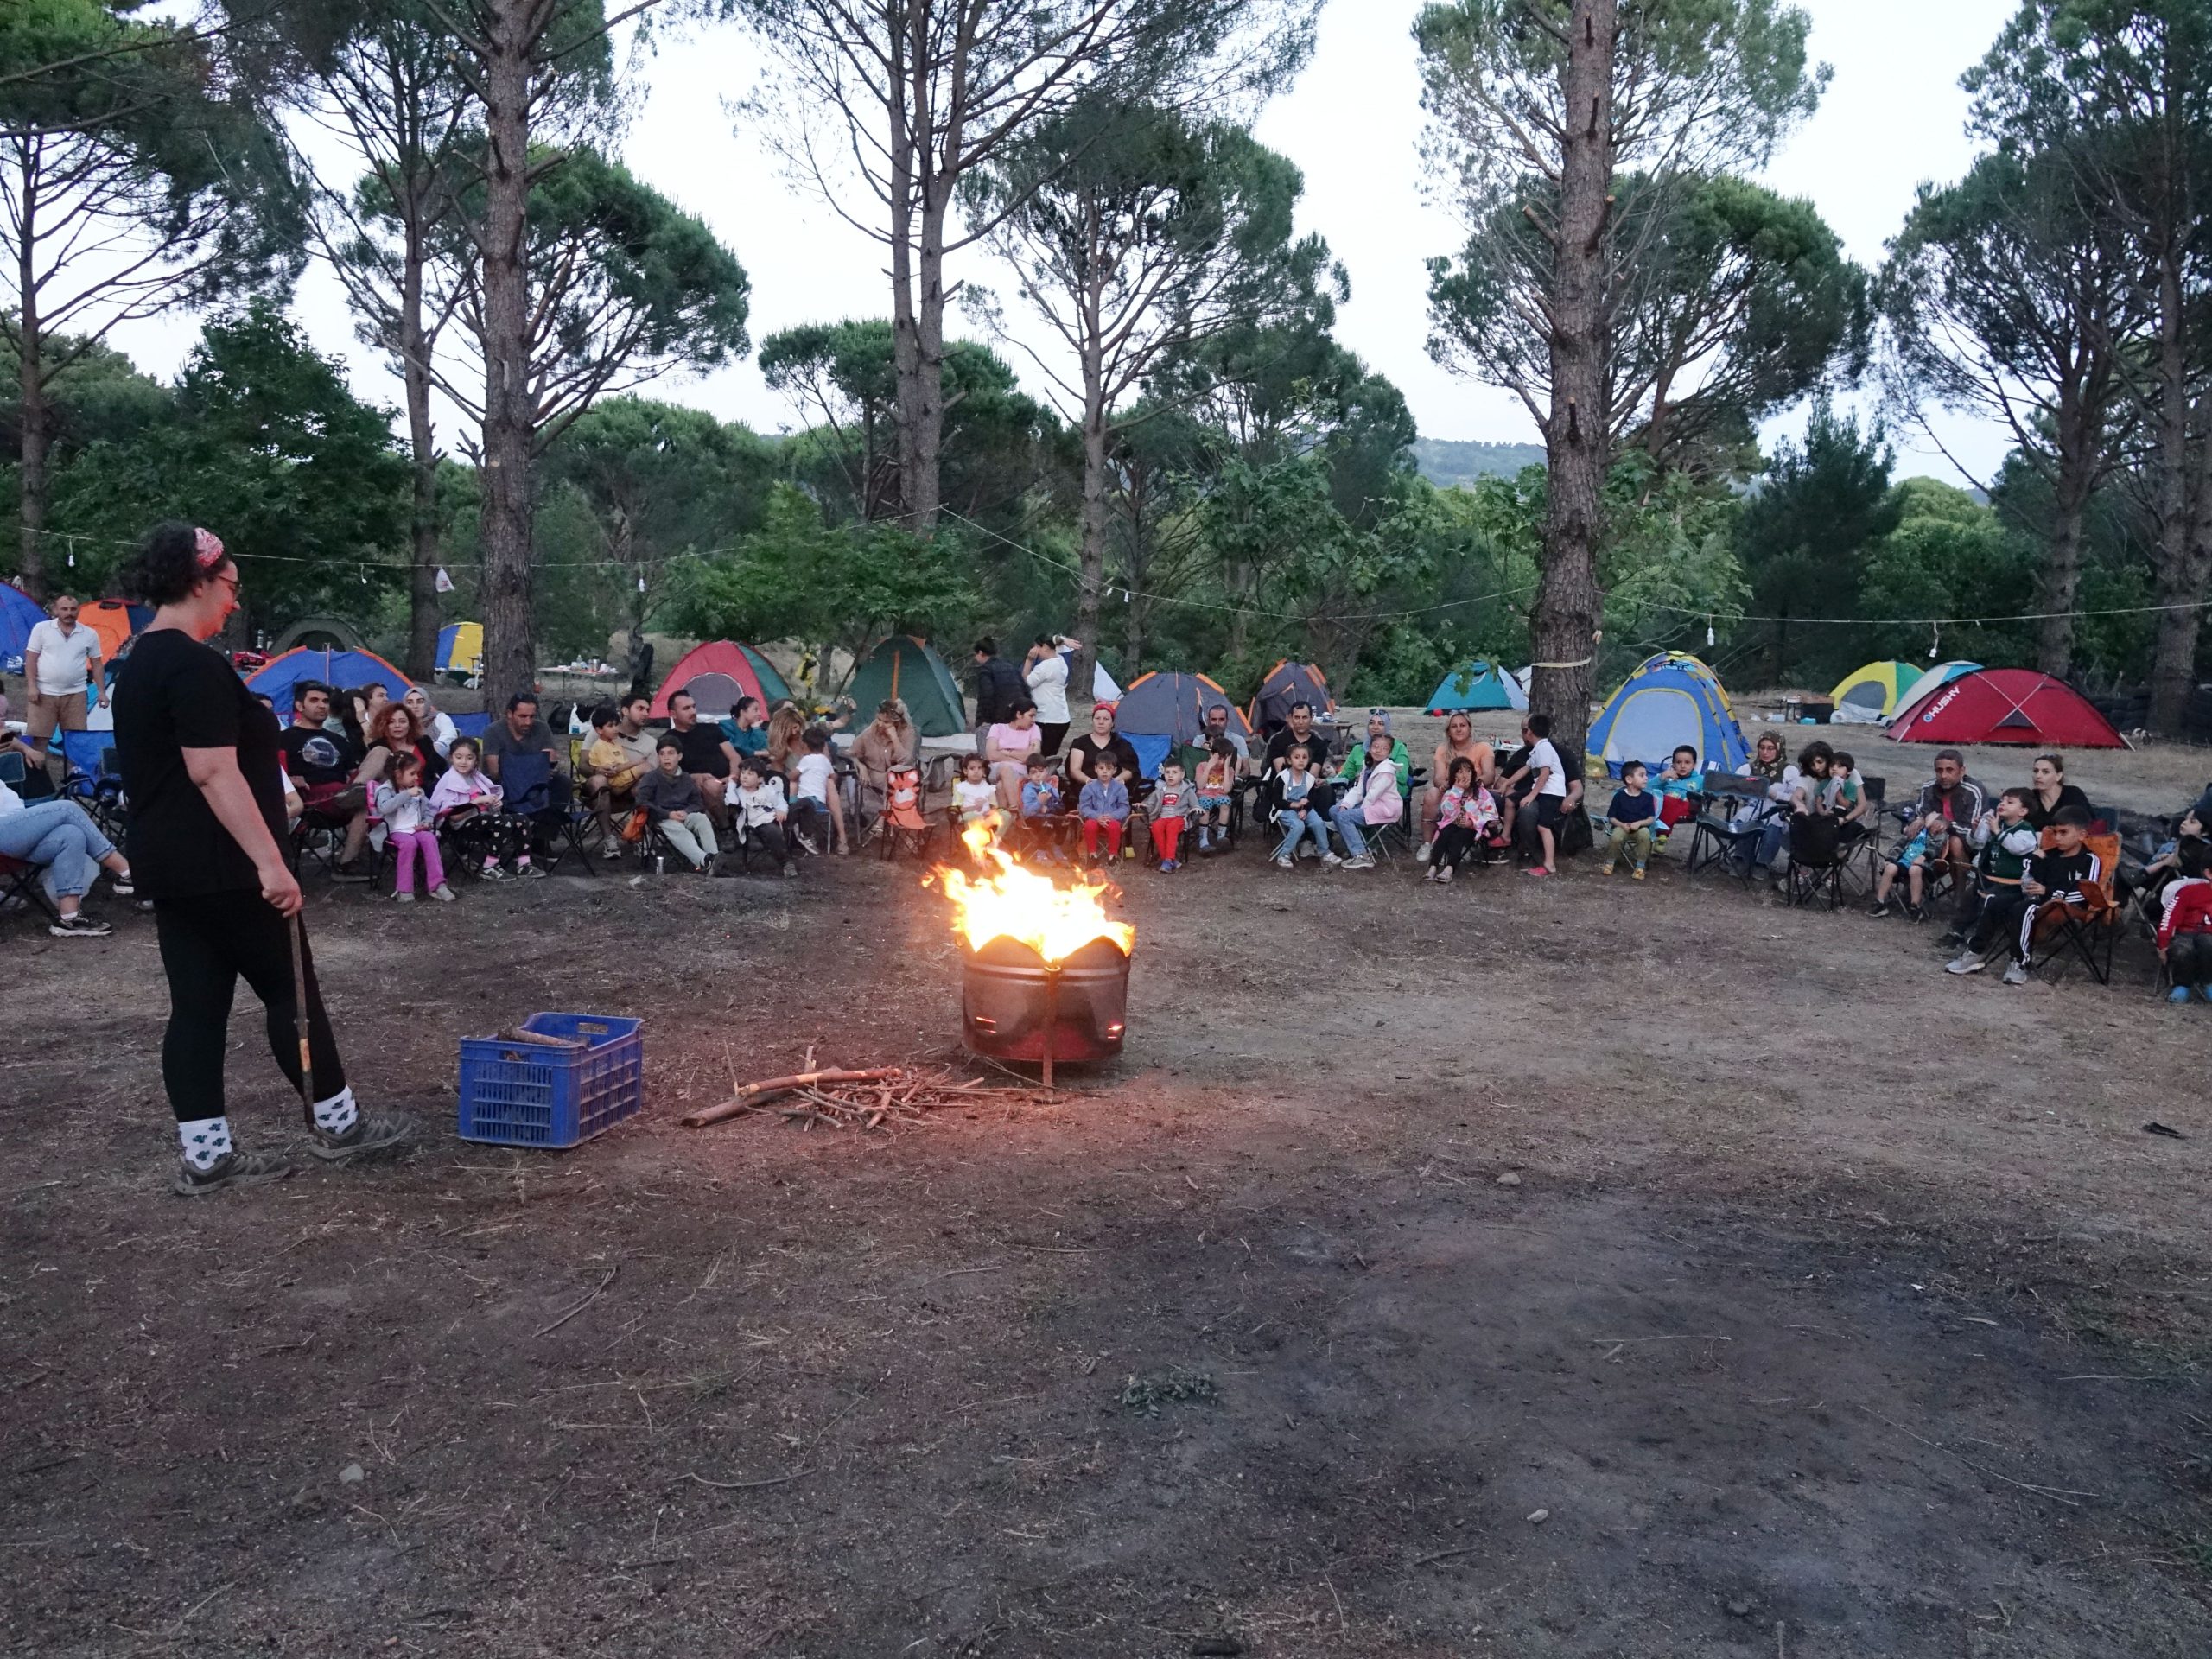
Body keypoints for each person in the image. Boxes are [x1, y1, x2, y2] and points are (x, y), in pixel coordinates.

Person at [112, 523, 413, 1193]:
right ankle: (340, 1126)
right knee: (289, 989)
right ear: (197, 582)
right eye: (229, 588)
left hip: (173, 865)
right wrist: (271, 865)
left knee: (197, 1007)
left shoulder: (139, 664)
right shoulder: (191, 665)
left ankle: (206, 1154)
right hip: (225, 865)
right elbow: (213, 773)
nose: (232, 602)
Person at [0, 775, 133, 935]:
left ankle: (69, 917)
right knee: (66, 808)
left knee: (71, 834)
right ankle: (127, 872)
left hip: (15, 833)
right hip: (6, 833)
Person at [1995, 805, 2103, 987]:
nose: (2057, 838)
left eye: (2063, 833)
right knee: (1995, 901)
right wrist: (2036, 858)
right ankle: (1976, 950)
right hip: (2041, 902)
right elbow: (2028, 875)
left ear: (2082, 835)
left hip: (2069, 908)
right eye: (2054, 833)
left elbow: (2088, 892)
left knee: (2024, 908)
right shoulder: (2050, 855)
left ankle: (2019, 962)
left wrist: (2049, 892)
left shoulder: (2090, 860)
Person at [279, 681, 372, 880]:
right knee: (364, 803)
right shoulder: (284, 739)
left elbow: (354, 770)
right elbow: (271, 772)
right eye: (314, 700)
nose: (322, 705)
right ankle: (345, 866)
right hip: (310, 800)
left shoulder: (338, 741)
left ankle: (358, 792)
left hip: (342, 793)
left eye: (325, 701)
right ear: (299, 706)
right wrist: (287, 779)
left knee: (380, 753)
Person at [1942, 788, 2041, 965]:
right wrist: (1975, 831)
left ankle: (1978, 946)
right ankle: (1957, 931)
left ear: (2023, 811)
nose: (2002, 804)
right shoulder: (1998, 824)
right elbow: (1977, 844)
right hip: (1990, 877)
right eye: (2002, 800)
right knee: (1970, 897)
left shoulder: (2025, 830)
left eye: (2010, 802)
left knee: (1990, 900)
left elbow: (2016, 847)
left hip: (2014, 884)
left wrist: (1997, 831)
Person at [430, 736, 534, 880]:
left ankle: (524, 864)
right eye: (458, 757)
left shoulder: (475, 777)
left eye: (469, 758)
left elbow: (488, 798)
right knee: (503, 822)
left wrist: (495, 802)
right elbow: (453, 816)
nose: (463, 762)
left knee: (521, 818)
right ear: (451, 758)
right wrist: (476, 802)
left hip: (482, 819)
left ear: (476, 760)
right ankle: (489, 866)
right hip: (461, 825)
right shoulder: (449, 780)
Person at [22, 593, 105, 772]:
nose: (69, 613)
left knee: (77, 740)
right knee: (39, 739)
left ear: (78, 611)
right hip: (43, 693)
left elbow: (97, 664)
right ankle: (38, 782)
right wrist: (31, 686)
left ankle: (75, 780)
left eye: (73, 609)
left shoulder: (89, 634)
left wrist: (101, 692)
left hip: (76, 694)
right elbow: (30, 658)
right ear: (55, 610)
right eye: (64, 609)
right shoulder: (42, 629)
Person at [375, 753, 453, 904]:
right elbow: (384, 808)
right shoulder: (385, 790)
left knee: (430, 839)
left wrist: (427, 821)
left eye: (417, 773)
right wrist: (406, 795)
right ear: (397, 774)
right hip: (394, 831)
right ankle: (404, 889)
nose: (416, 777)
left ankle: (438, 884)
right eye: (412, 774)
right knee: (409, 844)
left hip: (415, 829)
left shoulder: (417, 790)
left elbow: (430, 809)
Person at [1499, 713, 1568, 878]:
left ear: (1530, 732)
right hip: (1542, 790)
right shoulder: (1537, 749)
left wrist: (1532, 795)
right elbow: (1524, 769)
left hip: (1551, 793)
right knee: (1510, 801)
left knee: (1543, 827)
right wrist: (1507, 783)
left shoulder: (1544, 748)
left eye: (1526, 730)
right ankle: (1505, 836)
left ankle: (1549, 864)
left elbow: (1545, 773)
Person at [637, 736, 718, 874]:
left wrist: (686, 812)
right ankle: (704, 861)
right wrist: (668, 814)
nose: (666, 758)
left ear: (679, 756)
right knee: (677, 829)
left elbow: (697, 802)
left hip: (683, 814)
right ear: (658, 758)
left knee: (701, 819)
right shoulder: (651, 778)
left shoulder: (686, 778)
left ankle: (715, 860)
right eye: (662, 754)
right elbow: (641, 802)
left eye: (671, 753)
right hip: (661, 818)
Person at [1418, 713, 1493, 861]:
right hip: (1451, 791)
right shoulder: (1443, 749)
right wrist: (1448, 785)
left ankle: (1464, 843)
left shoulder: (1483, 747)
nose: (1459, 729)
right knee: (1432, 794)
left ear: (1470, 728)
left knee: (1469, 800)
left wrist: (1470, 784)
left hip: (1474, 791)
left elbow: (1490, 776)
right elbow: (1438, 778)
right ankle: (1427, 844)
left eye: (1463, 725)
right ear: (1448, 731)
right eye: (1454, 726)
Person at [1909, 749, 1987, 888]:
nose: (1943, 775)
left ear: (1962, 771)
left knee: (1955, 842)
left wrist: (1945, 822)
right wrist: (1920, 820)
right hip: (1933, 839)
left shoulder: (1974, 791)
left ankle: (1960, 892)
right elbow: (1921, 814)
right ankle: (1912, 885)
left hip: (1968, 845)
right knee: (1914, 831)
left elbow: (1971, 830)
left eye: (1949, 770)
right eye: (1939, 770)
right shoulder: (1929, 787)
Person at [580, 701, 651, 855]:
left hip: (622, 785)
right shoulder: (600, 746)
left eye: (616, 725)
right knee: (645, 769)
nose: (616, 729)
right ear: (599, 730)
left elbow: (622, 766)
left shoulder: (615, 745)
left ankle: (639, 835)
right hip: (608, 787)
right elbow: (613, 770)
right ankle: (610, 840)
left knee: (646, 782)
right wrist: (637, 764)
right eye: (611, 726)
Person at [1327, 732, 1402, 872]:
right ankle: (1354, 846)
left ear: (1389, 752)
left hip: (1385, 809)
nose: (1379, 751)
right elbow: (1359, 790)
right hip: (1371, 804)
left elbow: (1372, 796)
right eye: (1376, 747)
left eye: (1384, 748)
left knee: (1344, 816)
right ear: (1369, 747)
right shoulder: (1368, 765)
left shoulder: (1386, 771)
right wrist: (1345, 805)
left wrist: (1352, 811)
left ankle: (1361, 855)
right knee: (1335, 810)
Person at [666, 690, 741, 829]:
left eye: (694, 706)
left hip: (729, 780)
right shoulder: (669, 740)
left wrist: (732, 777)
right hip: (700, 785)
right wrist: (695, 777)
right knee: (712, 786)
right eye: (686, 708)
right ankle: (725, 828)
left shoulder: (711, 729)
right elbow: (669, 773)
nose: (693, 711)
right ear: (673, 714)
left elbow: (734, 756)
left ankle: (753, 827)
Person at [1426, 755, 1498, 884]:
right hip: (1453, 822)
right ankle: (1433, 867)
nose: (1465, 775)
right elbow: (1446, 811)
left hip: (1472, 827)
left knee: (1458, 837)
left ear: (1473, 773)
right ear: (1454, 775)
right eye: (1460, 772)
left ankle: (1449, 869)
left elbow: (1492, 815)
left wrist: (1473, 822)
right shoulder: (1451, 792)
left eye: (1468, 771)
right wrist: (1457, 791)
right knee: (1444, 833)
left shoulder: (1481, 793)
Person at [2155, 842, 2212, 1003]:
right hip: (2185, 935)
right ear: (2209, 873)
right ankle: (2182, 985)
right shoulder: (2190, 892)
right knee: (2182, 950)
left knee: (2209, 943)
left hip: (2209, 938)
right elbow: (2170, 917)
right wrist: (2163, 943)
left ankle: (2208, 981)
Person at [850, 699, 919, 824]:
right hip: (876, 773)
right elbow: (851, 753)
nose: (880, 724)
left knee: (896, 777)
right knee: (895, 781)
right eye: (879, 719)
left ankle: (884, 819)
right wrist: (862, 767)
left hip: (901, 776)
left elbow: (905, 760)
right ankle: (892, 822)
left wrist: (894, 738)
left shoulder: (907, 733)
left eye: (886, 722)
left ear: (897, 722)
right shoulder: (871, 731)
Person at [728, 756, 798, 877]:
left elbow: (780, 801)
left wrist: (782, 810)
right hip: (752, 823)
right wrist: (731, 785)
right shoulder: (739, 792)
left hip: (772, 818)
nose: (744, 776)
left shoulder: (768, 790)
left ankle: (791, 853)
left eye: (750, 774)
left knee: (794, 812)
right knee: (771, 831)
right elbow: (731, 801)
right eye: (743, 773)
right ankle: (787, 863)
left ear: (760, 779)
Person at [480, 692, 563, 788]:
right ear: (509, 714)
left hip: (536, 781)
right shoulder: (493, 731)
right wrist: (533, 766)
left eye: (532, 717)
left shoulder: (542, 728)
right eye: (523, 716)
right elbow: (495, 772)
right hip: (504, 783)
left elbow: (549, 761)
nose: (528, 722)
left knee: (563, 782)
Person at [789, 724, 847, 854]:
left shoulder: (806, 760)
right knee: (807, 801)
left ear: (805, 746)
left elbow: (793, 775)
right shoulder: (825, 761)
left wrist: (790, 776)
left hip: (806, 801)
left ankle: (792, 815)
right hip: (820, 804)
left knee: (799, 796)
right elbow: (834, 776)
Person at [1063, 703, 1141, 798]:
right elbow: (1074, 770)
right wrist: (1090, 782)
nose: (1101, 722)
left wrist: (1113, 782)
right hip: (1086, 787)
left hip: (1115, 788)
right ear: (1093, 721)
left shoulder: (1121, 743)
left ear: (1112, 723)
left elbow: (1129, 770)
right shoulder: (1080, 743)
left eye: (1106, 719)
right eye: (1097, 718)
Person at [1269, 743, 1326, 869]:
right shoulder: (1282, 778)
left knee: (1318, 823)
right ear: (1289, 760)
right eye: (1297, 757)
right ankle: (1284, 854)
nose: (1301, 760)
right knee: (1298, 825)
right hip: (1285, 809)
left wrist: (1305, 810)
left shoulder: (1310, 779)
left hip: (1303, 809)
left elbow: (1311, 799)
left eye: (1304, 757)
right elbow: (1276, 800)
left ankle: (1325, 852)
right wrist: (1294, 804)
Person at [1601, 759, 1660, 879]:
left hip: (1640, 828)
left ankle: (1640, 867)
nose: (1646, 778)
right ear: (1629, 779)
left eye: (1646, 775)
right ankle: (1610, 863)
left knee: (1645, 834)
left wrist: (1639, 823)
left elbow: (1651, 819)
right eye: (1641, 775)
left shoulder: (1648, 798)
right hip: (1622, 827)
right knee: (1616, 836)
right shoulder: (1619, 796)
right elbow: (1611, 818)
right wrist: (1622, 825)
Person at [1338, 709, 1412, 804]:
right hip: (1361, 790)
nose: (1375, 727)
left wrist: (1373, 776)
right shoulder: (1358, 749)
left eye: (1381, 724)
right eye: (1372, 723)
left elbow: (1402, 777)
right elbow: (1346, 774)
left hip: (1389, 792)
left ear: (1387, 727)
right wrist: (1327, 781)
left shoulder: (1398, 747)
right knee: (1337, 808)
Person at [986, 700, 1044, 811]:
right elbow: (991, 755)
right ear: (1018, 714)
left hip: (1021, 772)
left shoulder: (1034, 729)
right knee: (1006, 768)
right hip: (996, 770)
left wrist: (1007, 752)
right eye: (1031, 716)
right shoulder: (997, 728)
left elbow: (1033, 756)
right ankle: (1015, 809)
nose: (1033, 720)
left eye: (1035, 716)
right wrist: (1020, 757)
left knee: (1001, 786)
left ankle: (1005, 819)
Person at [1023, 636, 1074, 756]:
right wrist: (1063, 639)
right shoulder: (1061, 660)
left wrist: (1029, 660)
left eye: (1036, 647)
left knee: (1041, 757)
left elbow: (1026, 682)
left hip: (1047, 719)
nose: (1034, 650)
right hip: (1062, 717)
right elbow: (1055, 639)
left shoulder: (1045, 666)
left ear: (1045, 647)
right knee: (1051, 755)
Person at [970, 637, 1023, 745]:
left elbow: (986, 697)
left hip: (998, 718)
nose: (975, 658)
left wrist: (982, 721)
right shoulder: (1011, 666)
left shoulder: (986, 670)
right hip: (1016, 715)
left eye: (975, 654)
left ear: (980, 653)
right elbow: (1025, 690)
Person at [1078, 753, 1129, 864]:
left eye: (1109, 768)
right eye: (1101, 768)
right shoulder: (1088, 788)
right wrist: (1097, 817)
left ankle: (1113, 855)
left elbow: (1124, 807)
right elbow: (1084, 807)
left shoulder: (1120, 788)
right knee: (1089, 825)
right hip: (1095, 819)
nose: (1105, 771)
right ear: (1095, 769)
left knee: (1115, 825)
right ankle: (1092, 854)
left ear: (1115, 771)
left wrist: (1112, 816)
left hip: (1112, 819)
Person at [1149, 757, 1195, 872]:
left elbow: (1195, 804)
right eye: (1167, 772)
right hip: (1163, 817)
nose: (1170, 775)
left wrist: (1197, 809)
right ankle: (1169, 860)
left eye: (1174, 772)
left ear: (1182, 774)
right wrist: (1144, 805)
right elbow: (1150, 802)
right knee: (1156, 826)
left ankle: (1168, 860)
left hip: (1179, 817)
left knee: (1172, 827)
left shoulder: (1187, 790)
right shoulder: (1161, 790)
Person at [2024, 753, 2092, 830]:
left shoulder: (2073, 794)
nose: (2038, 776)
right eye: (2036, 771)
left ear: (2058, 776)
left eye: (2045, 772)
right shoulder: (2029, 797)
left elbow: (2083, 825)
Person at [1193, 739, 1238, 854]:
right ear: (1211, 754)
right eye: (1219, 758)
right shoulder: (1202, 766)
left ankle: (1221, 838)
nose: (1222, 762)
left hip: (1220, 795)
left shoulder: (1230, 770)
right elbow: (1200, 785)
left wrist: (1226, 769)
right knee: (1205, 804)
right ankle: (1203, 839)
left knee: (1226, 802)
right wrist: (1209, 767)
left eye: (1225, 758)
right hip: (1204, 794)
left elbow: (1227, 790)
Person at [953, 752, 1001, 843]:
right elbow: (958, 808)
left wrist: (990, 812)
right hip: (969, 814)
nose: (976, 771)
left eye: (980, 768)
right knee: (972, 816)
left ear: (984, 771)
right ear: (965, 771)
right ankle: (977, 846)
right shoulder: (961, 787)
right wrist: (975, 808)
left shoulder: (988, 787)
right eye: (972, 768)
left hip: (987, 817)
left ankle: (995, 842)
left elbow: (994, 805)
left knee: (1005, 815)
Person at [402, 685, 458, 759]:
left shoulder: (438, 717)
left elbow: (450, 734)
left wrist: (436, 747)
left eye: (420, 702)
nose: (415, 706)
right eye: (410, 703)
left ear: (427, 703)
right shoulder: (402, 722)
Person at [719, 694, 770, 760]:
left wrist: (756, 729)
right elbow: (731, 748)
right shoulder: (726, 726)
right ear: (742, 711)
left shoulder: (755, 729)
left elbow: (762, 747)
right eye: (755, 709)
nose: (760, 713)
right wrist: (756, 753)